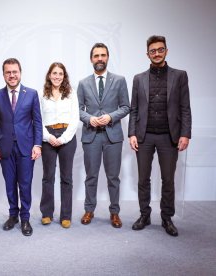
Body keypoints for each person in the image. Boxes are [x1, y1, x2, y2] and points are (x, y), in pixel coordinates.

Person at [129, 35, 191, 237]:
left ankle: (167, 218)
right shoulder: (138, 79)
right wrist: (132, 133)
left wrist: (185, 134)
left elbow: (185, 108)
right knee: (143, 179)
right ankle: (144, 215)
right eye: (153, 51)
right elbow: (134, 109)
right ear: (147, 54)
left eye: (160, 49)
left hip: (169, 137)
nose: (157, 53)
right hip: (144, 136)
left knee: (168, 180)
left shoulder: (180, 76)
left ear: (166, 51)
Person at [77, 43, 130, 228]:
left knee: (113, 177)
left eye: (103, 55)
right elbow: (77, 110)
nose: (100, 58)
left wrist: (110, 117)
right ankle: (89, 210)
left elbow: (125, 107)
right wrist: (89, 119)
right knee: (91, 176)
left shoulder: (119, 80)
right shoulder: (83, 83)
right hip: (91, 135)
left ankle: (114, 213)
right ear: (91, 59)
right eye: (96, 55)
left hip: (113, 136)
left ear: (108, 57)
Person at [0, 58, 42, 236]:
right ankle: (13, 215)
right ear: (4, 74)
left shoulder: (32, 94)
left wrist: (37, 144)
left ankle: (25, 218)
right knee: (10, 184)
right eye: (8, 72)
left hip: (26, 147)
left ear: (20, 73)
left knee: (25, 183)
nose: (12, 75)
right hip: (4, 146)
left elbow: (37, 122)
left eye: (15, 72)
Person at [38, 62, 78, 228]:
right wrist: (47, 137)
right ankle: (47, 213)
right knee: (48, 177)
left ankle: (65, 215)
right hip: (48, 136)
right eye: (54, 73)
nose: (57, 76)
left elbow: (75, 119)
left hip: (67, 137)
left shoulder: (71, 93)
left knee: (66, 178)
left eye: (60, 73)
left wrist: (62, 139)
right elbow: (37, 119)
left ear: (64, 76)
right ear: (49, 75)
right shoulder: (42, 94)